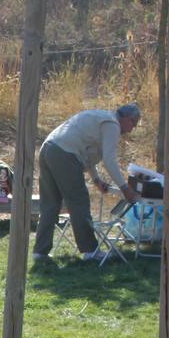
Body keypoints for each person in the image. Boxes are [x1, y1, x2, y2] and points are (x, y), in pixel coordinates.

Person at [34, 104, 142, 262]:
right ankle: (90, 251)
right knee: (79, 202)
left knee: (50, 204)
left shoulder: (100, 117)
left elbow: (87, 154)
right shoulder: (112, 125)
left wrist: (96, 179)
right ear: (126, 118)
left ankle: (40, 252)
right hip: (65, 154)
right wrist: (125, 188)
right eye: (133, 123)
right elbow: (109, 160)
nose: (132, 129)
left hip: (48, 149)